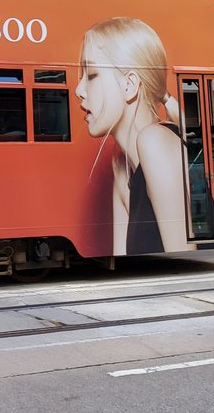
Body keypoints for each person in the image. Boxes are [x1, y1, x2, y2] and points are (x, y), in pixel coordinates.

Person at [76, 17, 189, 256]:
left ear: (129, 85)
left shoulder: (155, 142)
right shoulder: (121, 166)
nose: (79, 90)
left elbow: (187, 264)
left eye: (92, 75)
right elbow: (123, 264)